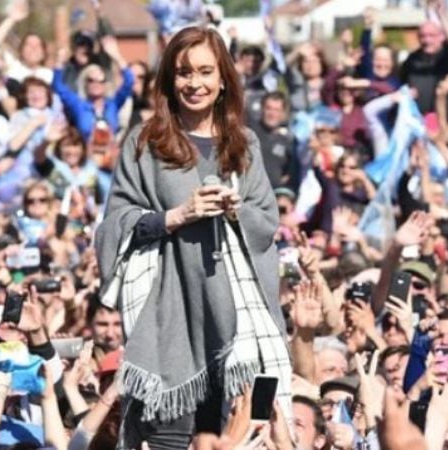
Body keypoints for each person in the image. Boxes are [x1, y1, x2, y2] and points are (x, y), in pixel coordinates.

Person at [95, 26, 292, 449]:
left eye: (205, 72)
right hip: (170, 320)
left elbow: (266, 225)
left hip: (238, 328)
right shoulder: (145, 142)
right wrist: (176, 216)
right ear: (170, 79)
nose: (194, 83)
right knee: (168, 438)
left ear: (223, 80)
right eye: (184, 72)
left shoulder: (245, 144)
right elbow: (114, 225)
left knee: (242, 434)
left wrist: (235, 210)